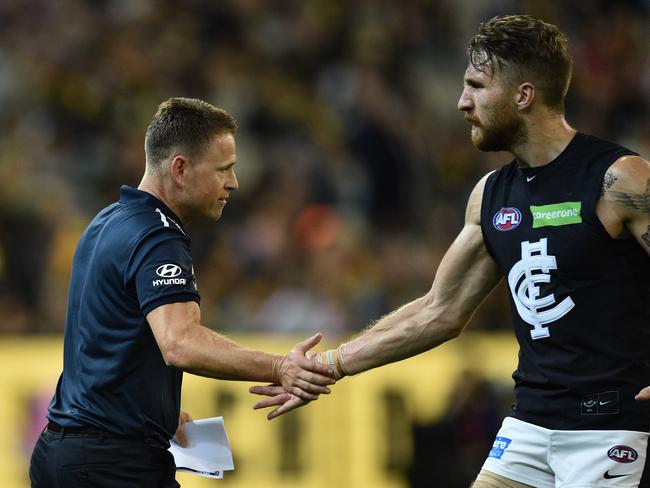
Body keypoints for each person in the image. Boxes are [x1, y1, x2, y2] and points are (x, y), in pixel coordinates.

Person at [250, 15, 650, 488]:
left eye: (477, 86)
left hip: (611, 427)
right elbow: (439, 310)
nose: (462, 102)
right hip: (530, 424)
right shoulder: (491, 196)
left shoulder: (620, 179)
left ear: (523, 96)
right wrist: (330, 365)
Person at [28, 97, 335, 488]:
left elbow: (103, 340)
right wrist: (279, 367)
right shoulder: (159, 236)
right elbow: (180, 343)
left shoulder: (107, 221)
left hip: (61, 455)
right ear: (180, 169)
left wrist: (151, 409)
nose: (233, 183)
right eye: (223, 169)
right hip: (112, 466)